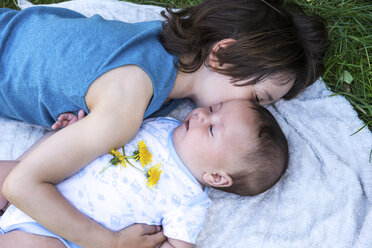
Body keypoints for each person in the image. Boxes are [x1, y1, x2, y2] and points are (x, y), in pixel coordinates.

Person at [0, 0, 328, 247]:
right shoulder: (126, 107)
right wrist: (109, 242)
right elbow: (19, 184)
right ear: (222, 56)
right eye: (257, 99)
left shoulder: (165, 52)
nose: (249, 110)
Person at [0, 99, 289, 248]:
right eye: (213, 108)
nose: (202, 115)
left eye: (212, 128)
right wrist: (76, 131)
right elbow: (102, 133)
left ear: (216, 177)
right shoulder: (161, 124)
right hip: (42, 178)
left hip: (55, 234)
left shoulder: (189, 202)